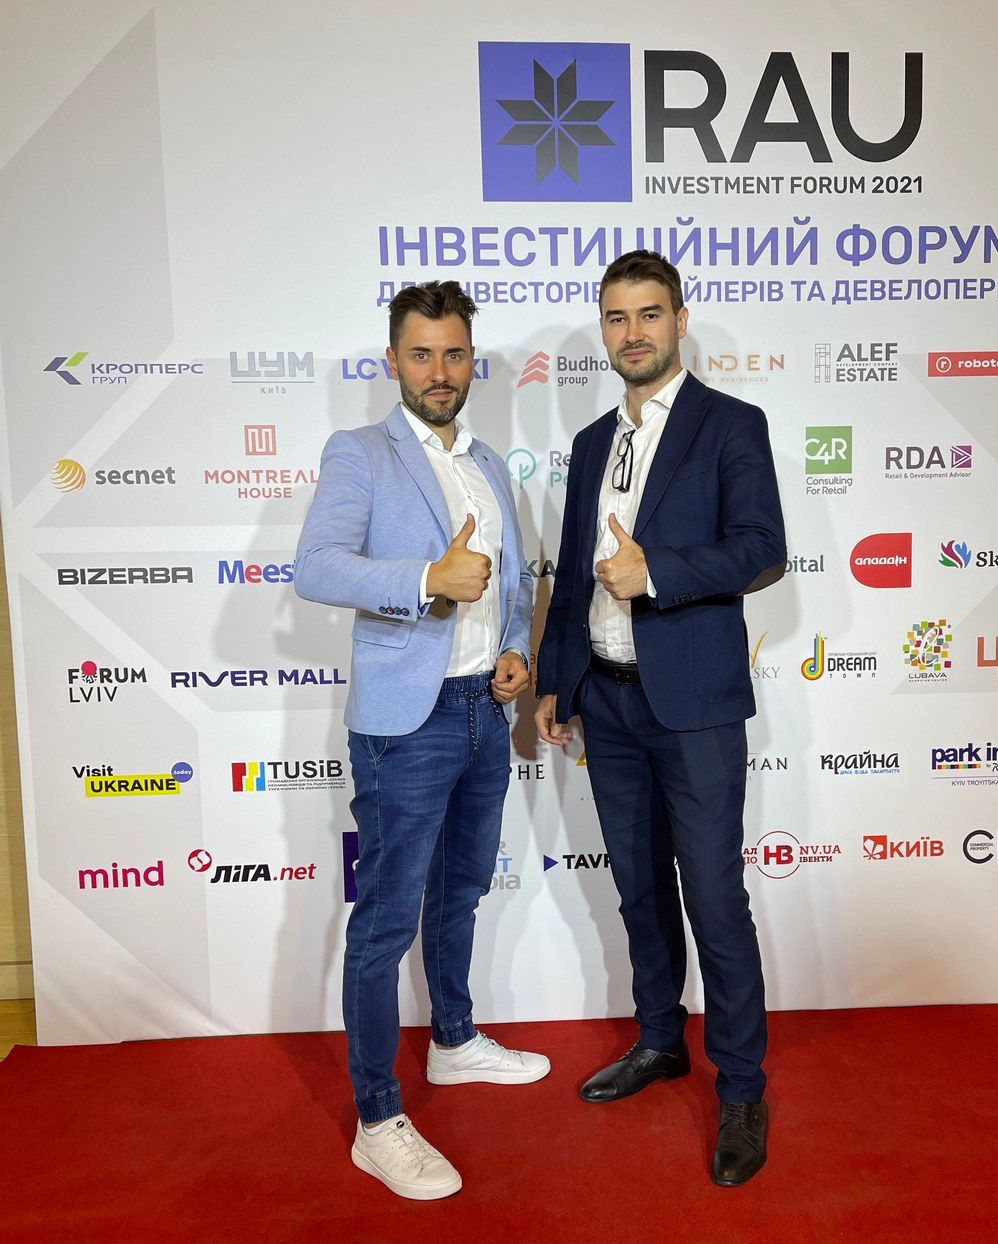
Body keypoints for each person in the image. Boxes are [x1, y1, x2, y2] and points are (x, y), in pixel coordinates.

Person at [534, 250, 785, 1187]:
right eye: (616, 317)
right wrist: (558, 680)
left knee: (714, 900)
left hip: (695, 708)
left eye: (648, 314)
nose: (632, 333)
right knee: (639, 889)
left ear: (680, 321)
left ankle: (743, 1089)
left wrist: (659, 573)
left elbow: (763, 549)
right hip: (609, 699)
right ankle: (658, 1039)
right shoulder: (593, 440)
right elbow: (570, 572)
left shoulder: (731, 424)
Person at [294, 281, 547, 1201]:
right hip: (408, 720)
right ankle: (376, 1119)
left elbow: (511, 585)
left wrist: (515, 651)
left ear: (471, 360)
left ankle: (453, 1040)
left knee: (462, 892)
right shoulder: (360, 452)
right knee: (387, 919)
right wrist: (426, 577)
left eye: (454, 354)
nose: (440, 371)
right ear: (394, 361)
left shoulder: (488, 464)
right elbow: (315, 566)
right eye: (421, 354)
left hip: (484, 710)